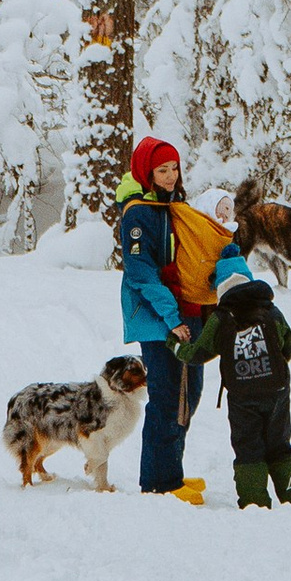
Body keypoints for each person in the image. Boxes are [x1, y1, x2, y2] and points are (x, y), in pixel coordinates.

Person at [116, 136, 220, 499]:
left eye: (174, 168)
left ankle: (172, 473)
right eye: (162, 170)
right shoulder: (138, 214)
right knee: (166, 397)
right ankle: (158, 483)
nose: (171, 176)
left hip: (186, 313)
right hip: (159, 318)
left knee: (188, 394)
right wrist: (173, 316)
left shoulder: (175, 205)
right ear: (147, 172)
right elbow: (141, 273)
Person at [177, 248, 291, 507]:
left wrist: (174, 345)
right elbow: (288, 347)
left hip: (242, 396)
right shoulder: (271, 311)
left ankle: (254, 503)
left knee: (249, 447)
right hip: (277, 390)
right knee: (281, 445)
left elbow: (196, 354)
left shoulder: (220, 318)